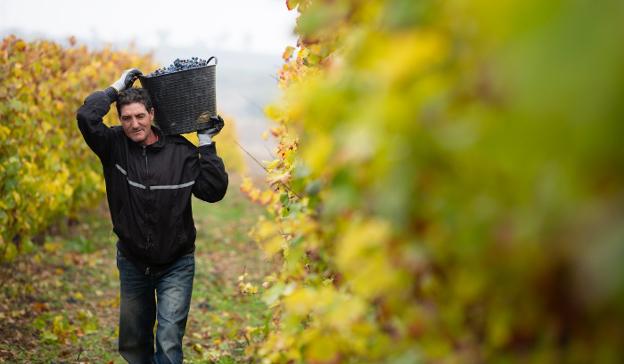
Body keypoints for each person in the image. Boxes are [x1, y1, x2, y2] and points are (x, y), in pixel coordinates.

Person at [76, 68, 228, 363]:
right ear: (119, 120)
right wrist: (116, 87)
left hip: (176, 262)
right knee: (134, 345)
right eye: (126, 118)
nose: (134, 124)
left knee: (169, 341)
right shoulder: (113, 145)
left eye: (140, 116)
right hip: (133, 262)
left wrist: (206, 143)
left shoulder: (181, 152)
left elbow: (214, 190)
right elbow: (86, 117)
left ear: (152, 114)